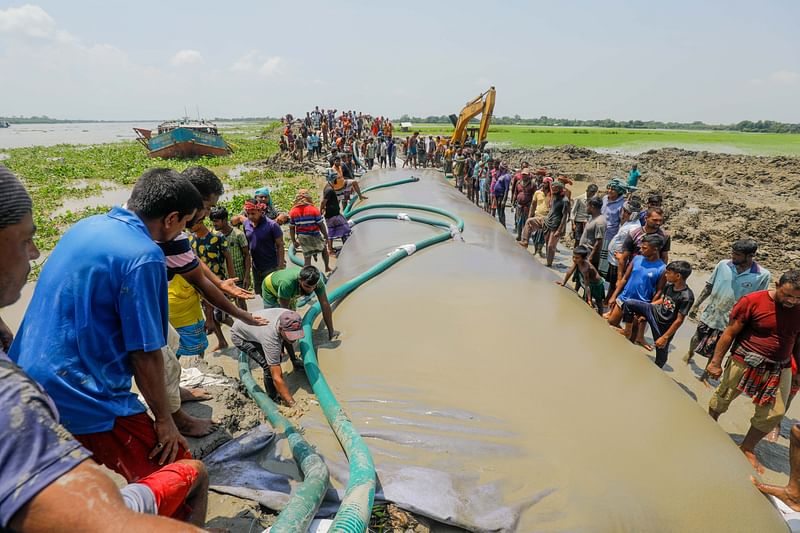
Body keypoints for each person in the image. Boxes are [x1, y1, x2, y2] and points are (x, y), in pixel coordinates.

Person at [0, 166, 214, 532]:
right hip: (82, 391)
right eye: (185, 224)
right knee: (177, 466)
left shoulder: (89, 225)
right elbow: (145, 352)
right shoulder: (145, 255)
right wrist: (164, 421)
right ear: (172, 218)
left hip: (27, 378)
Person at [706, 270, 800, 473]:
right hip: (745, 359)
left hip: (779, 366)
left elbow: (797, 340)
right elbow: (730, 331)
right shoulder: (752, 301)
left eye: (797, 297)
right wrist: (715, 362)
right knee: (724, 396)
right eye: (788, 295)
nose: (792, 301)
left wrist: (797, 373)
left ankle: (747, 447)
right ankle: (708, 425)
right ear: (777, 285)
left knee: (775, 413)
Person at [685, 240, 771, 383]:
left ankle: (705, 376)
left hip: (733, 320)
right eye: (732, 253)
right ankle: (689, 353)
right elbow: (709, 286)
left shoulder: (762, 275)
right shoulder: (723, 264)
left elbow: (758, 301)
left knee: (718, 348)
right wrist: (696, 305)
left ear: (750, 256)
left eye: (737, 255)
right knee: (696, 337)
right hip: (712, 312)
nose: (733, 257)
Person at [621, 261, 695, 368]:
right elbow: (662, 300)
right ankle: (627, 331)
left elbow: (679, 320)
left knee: (661, 356)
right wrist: (646, 310)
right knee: (629, 304)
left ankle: (654, 372)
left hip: (664, 325)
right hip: (656, 311)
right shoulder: (669, 286)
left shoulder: (687, 297)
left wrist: (665, 337)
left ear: (678, 276)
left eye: (668, 273)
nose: (665, 275)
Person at [231, 309, 305, 406]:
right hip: (240, 336)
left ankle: (294, 361)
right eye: (291, 335)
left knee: (286, 342)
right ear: (280, 329)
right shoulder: (271, 338)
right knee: (267, 366)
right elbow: (276, 377)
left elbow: (288, 338)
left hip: (254, 327)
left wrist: (292, 356)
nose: (295, 338)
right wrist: (292, 403)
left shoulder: (292, 317)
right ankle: (273, 397)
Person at [187, 219, 234, 351]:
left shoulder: (217, 237)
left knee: (222, 316)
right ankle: (222, 341)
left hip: (219, 284)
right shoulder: (190, 240)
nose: (189, 228)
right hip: (201, 285)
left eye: (191, 224)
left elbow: (228, 259)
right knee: (211, 318)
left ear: (200, 221)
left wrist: (232, 282)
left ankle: (244, 333)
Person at [606, 234, 667, 332]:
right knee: (611, 323)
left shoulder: (662, 268)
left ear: (655, 249)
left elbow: (659, 292)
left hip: (640, 304)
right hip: (624, 298)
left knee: (631, 335)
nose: (641, 250)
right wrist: (614, 296)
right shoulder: (637, 259)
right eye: (641, 247)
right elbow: (625, 278)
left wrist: (648, 309)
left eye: (645, 248)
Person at [262, 266, 336, 340]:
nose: (310, 290)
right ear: (300, 280)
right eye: (307, 286)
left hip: (288, 290)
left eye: (313, 287)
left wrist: (331, 330)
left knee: (292, 313)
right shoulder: (287, 284)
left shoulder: (318, 282)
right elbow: (284, 311)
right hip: (270, 287)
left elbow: (325, 304)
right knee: (274, 318)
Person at [518, 181, 570, 267]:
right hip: (547, 220)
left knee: (550, 246)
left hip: (556, 225)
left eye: (555, 189)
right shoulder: (554, 197)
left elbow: (565, 216)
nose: (553, 190)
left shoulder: (565, 200)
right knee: (529, 221)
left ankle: (549, 264)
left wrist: (559, 230)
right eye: (552, 188)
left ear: (560, 189)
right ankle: (525, 242)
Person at [210, 206, 251, 310]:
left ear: (224, 220)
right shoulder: (215, 236)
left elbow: (247, 255)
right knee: (223, 308)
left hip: (239, 277)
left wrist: (247, 276)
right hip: (222, 278)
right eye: (212, 222)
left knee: (241, 304)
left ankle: (246, 324)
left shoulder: (238, 235)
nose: (214, 224)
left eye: (216, 221)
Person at [244, 197, 285, 298]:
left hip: (271, 266)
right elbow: (247, 246)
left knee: (274, 293)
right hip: (256, 267)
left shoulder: (272, 225)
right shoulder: (246, 225)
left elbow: (280, 245)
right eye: (248, 214)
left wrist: (280, 266)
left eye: (253, 213)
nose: (250, 216)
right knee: (262, 293)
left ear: (260, 211)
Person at [289, 189, 331, 272]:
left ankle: (306, 275)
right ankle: (327, 267)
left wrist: (294, 240)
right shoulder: (314, 209)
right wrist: (326, 236)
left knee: (307, 257)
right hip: (315, 234)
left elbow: (292, 228)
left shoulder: (293, 211)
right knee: (324, 250)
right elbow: (321, 225)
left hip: (302, 237)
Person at [557, 245, 605, 314]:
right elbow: (570, 272)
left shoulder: (586, 268)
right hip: (589, 283)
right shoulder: (577, 261)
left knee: (599, 302)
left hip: (597, 284)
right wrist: (563, 283)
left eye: (577, 258)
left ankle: (600, 315)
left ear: (583, 258)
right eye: (573, 256)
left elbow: (587, 285)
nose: (574, 259)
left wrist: (589, 299)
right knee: (586, 301)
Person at [578, 196, 606, 268]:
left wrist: (591, 257)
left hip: (589, 256)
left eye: (587, 206)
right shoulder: (592, 218)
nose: (586, 208)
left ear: (592, 207)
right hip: (583, 254)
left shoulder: (600, 222)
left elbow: (599, 241)